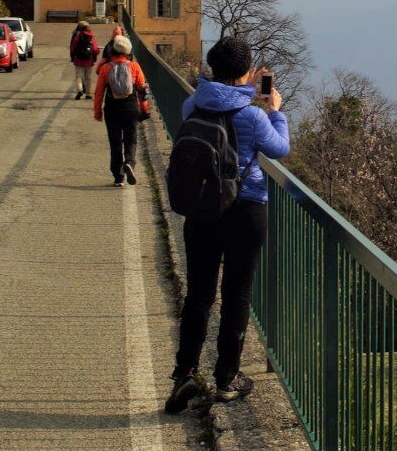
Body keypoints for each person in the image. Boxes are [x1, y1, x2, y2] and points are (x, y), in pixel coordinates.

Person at [165, 36, 289, 412]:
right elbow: (280, 149)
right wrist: (275, 109)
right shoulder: (252, 114)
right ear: (247, 72)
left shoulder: (193, 103)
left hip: (201, 211)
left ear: (212, 69)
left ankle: (184, 374)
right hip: (245, 209)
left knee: (199, 296)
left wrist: (243, 88)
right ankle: (226, 379)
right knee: (236, 294)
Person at [92, 35, 150, 186]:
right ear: (128, 52)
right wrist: (144, 110)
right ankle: (129, 162)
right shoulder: (134, 67)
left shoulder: (105, 68)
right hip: (130, 107)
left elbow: (99, 93)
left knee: (115, 142)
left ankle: (118, 177)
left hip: (112, 108)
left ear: (113, 50)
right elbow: (142, 91)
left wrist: (98, 112)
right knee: (131, 139)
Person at [69, 20, 99, 99]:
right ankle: (88, 94)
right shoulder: (91, 37)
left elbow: (72, 48)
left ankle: (80, 90)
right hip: (89, 59)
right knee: (88, 77)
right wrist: (96, 53)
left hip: (78, 59)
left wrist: (73, 55)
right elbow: (95, 49)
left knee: (78, 76)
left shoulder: (77, 37)